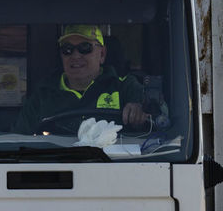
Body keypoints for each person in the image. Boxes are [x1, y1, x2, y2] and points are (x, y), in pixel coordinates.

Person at [13, 24, 150, 134]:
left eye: (85, 47)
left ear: (102, 54)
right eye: (67, 49)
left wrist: (141, 109)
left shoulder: (125, 86)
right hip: (58, 166)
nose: (75, 56)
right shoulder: (42, 96)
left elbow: (160, 115)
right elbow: (18, 140)